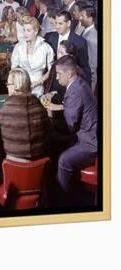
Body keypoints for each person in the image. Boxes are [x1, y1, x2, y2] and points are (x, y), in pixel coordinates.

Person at [44, 56, 97, 195]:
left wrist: (50, 117)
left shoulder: (74, 91)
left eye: (59, 74)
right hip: (88, 134)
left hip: (89, 142)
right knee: (53, 142)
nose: (56, 78)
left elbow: (69, 127)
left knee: (63, 159)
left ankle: (64, 198)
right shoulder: (80, 82)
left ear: (69, 74)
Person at [0, 68, 49, 161]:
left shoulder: (5, 109)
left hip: (14, 163)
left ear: (16, 85)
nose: (7, 86)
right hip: (40, 158)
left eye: (8, 84)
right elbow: (48, 130)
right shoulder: (38, 105)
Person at [11, 16, 55, 97]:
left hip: (38, 88)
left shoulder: (46, 48)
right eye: (24, 30)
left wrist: (39, 82)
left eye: (28, 30)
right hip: (21, 87)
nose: (25, 33)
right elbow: (13, 69)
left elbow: (51, 70)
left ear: (35, 31)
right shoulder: (18, 47)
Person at [45, 10, 91, 84]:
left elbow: (84, 68)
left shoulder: (80, 42)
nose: (57, 26)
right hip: (53, 82)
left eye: (60, 23)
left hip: (71, 82)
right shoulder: (49, 38)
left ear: (68, 23)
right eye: (56, 23)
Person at [80, 6, 98, 93]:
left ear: (90, 19)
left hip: (88, 80)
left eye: (82, 16)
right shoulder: (86, 31)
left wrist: (91, 87)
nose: (80, 18)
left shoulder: (92, 38)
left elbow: (92, 66)